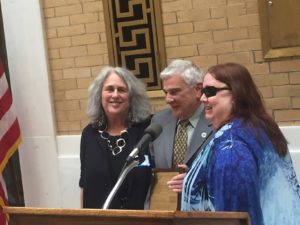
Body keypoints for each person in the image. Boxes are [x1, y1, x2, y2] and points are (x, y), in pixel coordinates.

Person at [181, 63, 300, 225]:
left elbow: (237, 217)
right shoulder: (260, 127)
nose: (202, 98)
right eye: (202, 91)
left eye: (210, 92)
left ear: (236, 94)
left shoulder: (231, 147)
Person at [79, 66, 153, 209]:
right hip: (100, 220)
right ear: (99, 95)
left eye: (121, 90)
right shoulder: (89, 134)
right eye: (109, 89)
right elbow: (84, 185)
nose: (115, 95)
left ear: (132, 97)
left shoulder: (147, 130)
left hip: (140, 219)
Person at [150, 59, 213, 170]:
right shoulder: (159, 121)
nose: (167, 99)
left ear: (198, 89)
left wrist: (194, 179)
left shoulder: (216, 121)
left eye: (174, 92)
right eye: (166, 92)